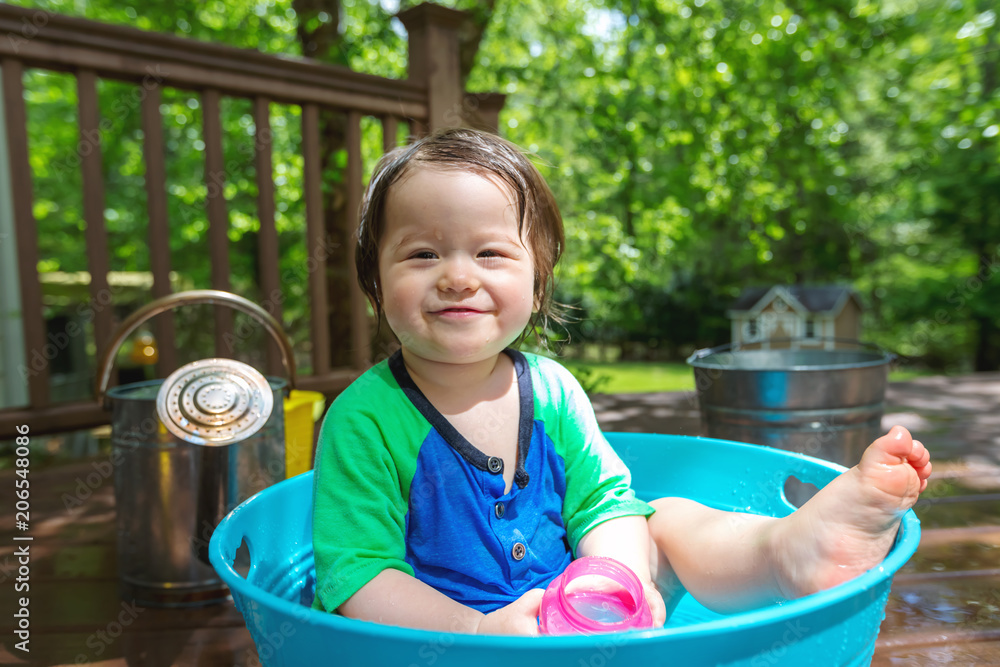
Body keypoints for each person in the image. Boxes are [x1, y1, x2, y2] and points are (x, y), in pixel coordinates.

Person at [310, 127, 932, 635]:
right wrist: (479, 633)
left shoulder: (550, 391)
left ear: (537, 277)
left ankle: (788, 553)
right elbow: (356, 579)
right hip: (444, 640)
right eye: (422, 254)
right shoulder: (365, 418)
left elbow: (602, 504)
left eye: (491, 253)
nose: (456, 277)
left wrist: (617, 582)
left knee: (663, 516)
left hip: (571, 614)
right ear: (374, 281)